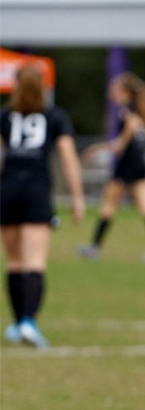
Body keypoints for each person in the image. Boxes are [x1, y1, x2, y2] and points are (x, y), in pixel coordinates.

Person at [1, 66, 85, 347]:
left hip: (7, 190)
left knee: (14, 261)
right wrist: (77, 196)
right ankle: (28, 322)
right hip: (36, 191)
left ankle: (16, 324)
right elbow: (68, 157)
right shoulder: (55, 117)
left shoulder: (4, 115)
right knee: (34, 261)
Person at [77, 72, 145, 263]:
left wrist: (98, 148)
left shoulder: (127, 112)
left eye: (114, 88)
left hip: (128, 165)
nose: (111, 92)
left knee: (109, 204)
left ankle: (94, 248)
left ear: (124, 91)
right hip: (139, 163)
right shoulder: (137, 110)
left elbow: (122, 143)